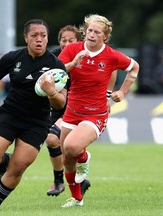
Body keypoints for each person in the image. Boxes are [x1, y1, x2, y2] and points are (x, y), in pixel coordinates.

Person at [0, 19, 67, 211]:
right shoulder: (13, 58)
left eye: (43, 36)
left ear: (47, 39)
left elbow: (61, 103)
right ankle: (3, 162)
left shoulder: (56, 66)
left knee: (19, 166)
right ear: (26, 38)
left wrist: (51, 92)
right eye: (34, 36)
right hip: (10, 115)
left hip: (37, 123)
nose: (39, 40)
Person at [57, 14, 139, 208]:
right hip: (71, 111)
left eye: (97, 32)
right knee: (66, 158)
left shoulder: (111, 55)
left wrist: (122, 91)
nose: (92, 35)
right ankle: (77, 199)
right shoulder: (73, 50)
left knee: (71, 148)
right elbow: (57, 72)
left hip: (95, 114)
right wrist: (73, 62)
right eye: (90, 31)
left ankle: (85, 158)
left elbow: (134, 68)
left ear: (105, 37)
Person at [46, 25, 117, 197]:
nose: (66, 44)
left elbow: (112, 68)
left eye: (71, 40)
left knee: (54, 139)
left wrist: (107, 96)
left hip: (78, 107)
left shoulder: (88, 53)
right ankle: (75, 181)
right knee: (59, 146)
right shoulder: (55, 56)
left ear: (79, 41)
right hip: (57, 104)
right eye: (63, 40)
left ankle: (60, 180)